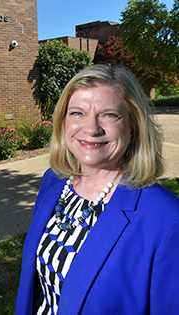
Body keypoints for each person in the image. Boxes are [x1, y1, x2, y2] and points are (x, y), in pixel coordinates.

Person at [15, 64, 179, 314]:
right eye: (77, 113)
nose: (91, 129)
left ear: (132, 125)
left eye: (109, 115)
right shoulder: (54, 181)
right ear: (63, 122)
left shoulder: (166, 220)